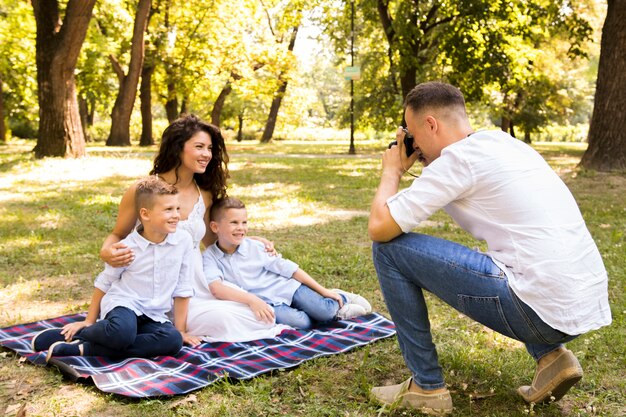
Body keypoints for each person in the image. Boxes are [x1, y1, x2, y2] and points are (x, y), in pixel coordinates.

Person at [367, 81, 611, 414]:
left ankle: (426, 387)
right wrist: (425, 160)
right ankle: (552, 358)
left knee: (389, 251)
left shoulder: (457, 162)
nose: (411, 144)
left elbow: (380, 228)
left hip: (540, 311)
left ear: (431, 125)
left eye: (411, 134)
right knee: (514, 261)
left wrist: (391, 171)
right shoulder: (504, 143)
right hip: (579, 302)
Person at [99, 114, 284, 343]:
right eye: (199, 146)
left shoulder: (203, 194)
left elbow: (211, 241)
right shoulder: (142, 190)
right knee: (224, 319)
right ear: (178, 148)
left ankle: (159, 331)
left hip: (193, 282)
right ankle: (155, 326)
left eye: (209, 148)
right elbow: (118, 234)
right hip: (152, 283)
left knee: (255, 316)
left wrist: (247, 238)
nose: (207, 154)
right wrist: (106, 251)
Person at [31, 177, 195, 360]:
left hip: (154, 314)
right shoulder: (127, 248)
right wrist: (88, 321)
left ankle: (84, 348)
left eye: (177, 208)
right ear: (145, 214)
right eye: (168, 210)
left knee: (173, 341)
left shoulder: (183, 241)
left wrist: (180, 330)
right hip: (125, 304)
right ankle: (82, 333)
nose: (176, 215)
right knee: (121, 334)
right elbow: (105, 282)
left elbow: (183, 286)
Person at [191, 197, 372, 332]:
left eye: (244, 222)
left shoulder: (255, 247)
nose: (241, 228)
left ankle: (339, 300)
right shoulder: (210, 257)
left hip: (288, 288)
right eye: (234, 223)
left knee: (323, 312)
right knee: (303, 323)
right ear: (215, 227)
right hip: (268, 302)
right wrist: (253, 301)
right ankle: (321, 307)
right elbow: (216, 288)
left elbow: (290, 269)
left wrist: (323, 289)